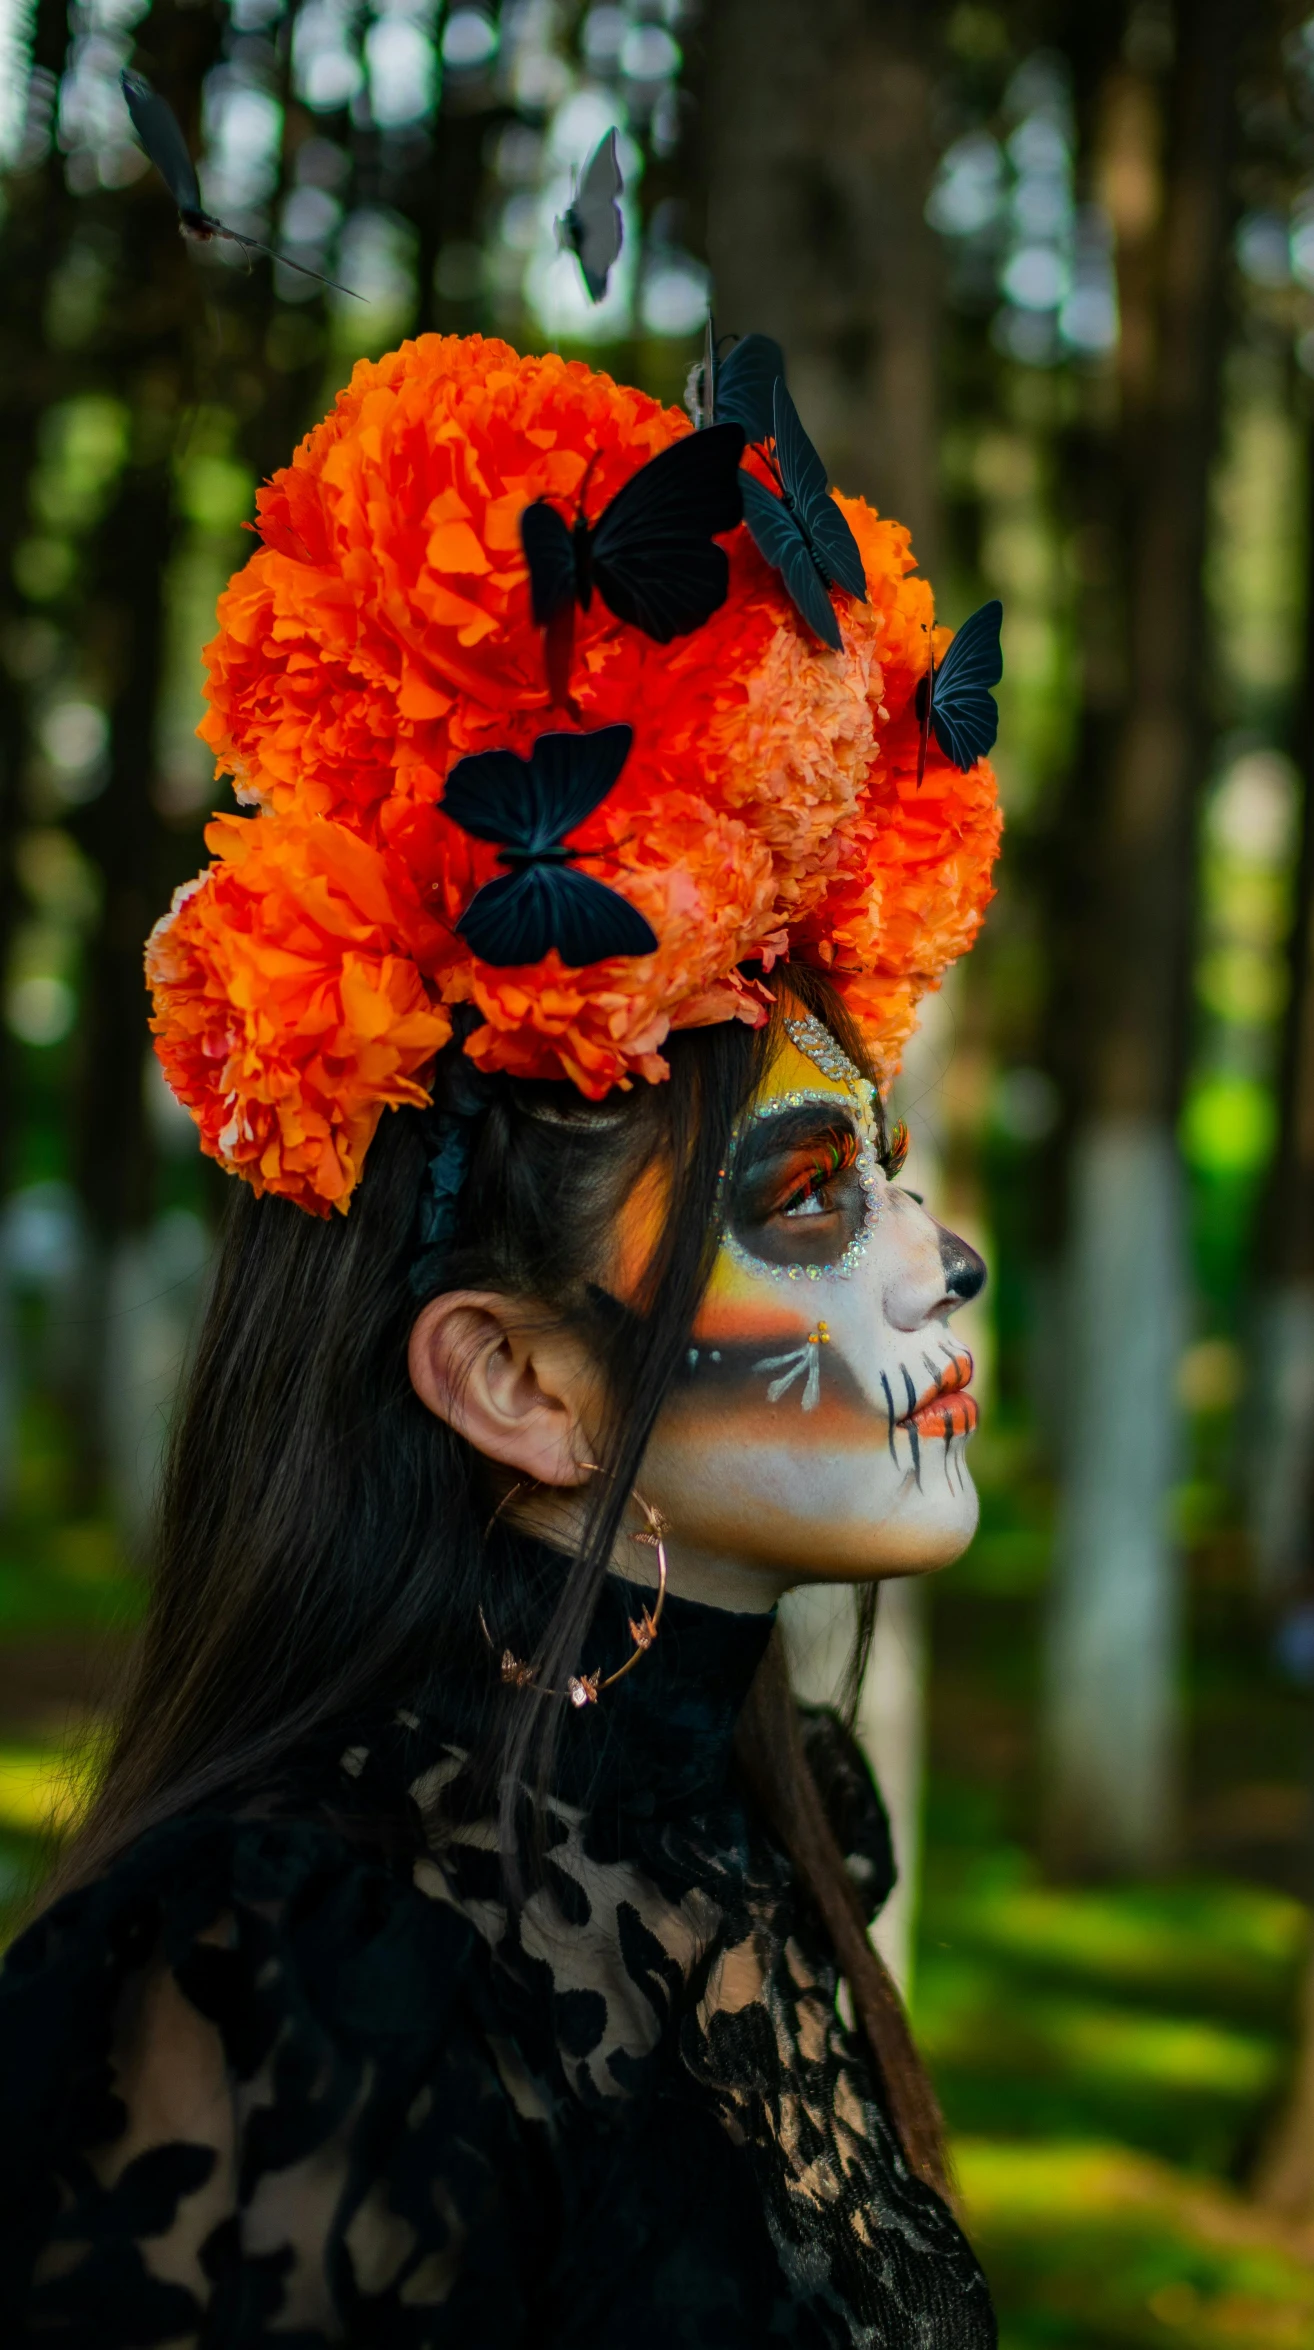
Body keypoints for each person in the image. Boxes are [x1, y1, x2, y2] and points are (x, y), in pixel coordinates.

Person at [0, 334, 1002, 2346]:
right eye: (809, 1198)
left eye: (887, 1172)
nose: (940, 1259)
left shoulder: (767, 1826)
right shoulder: (259, 1972)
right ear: (514, 1380)